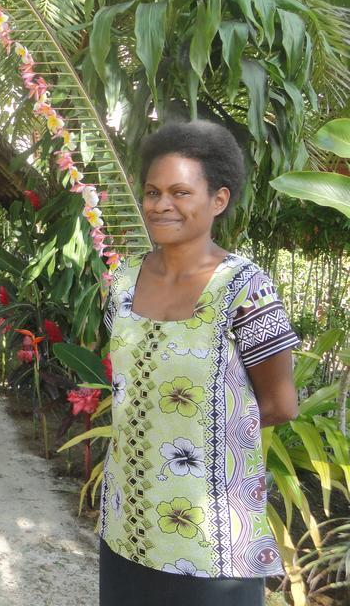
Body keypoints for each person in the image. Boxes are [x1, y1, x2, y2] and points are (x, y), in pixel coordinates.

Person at [99, 120, 299, 606]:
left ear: (219, 200)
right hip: (127, 523)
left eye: (179, 191)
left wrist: (200, 433)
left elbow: (278, 404)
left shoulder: (247, 290)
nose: (160, 205)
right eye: (151, 191)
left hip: (212, 542)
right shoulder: (122, 282)